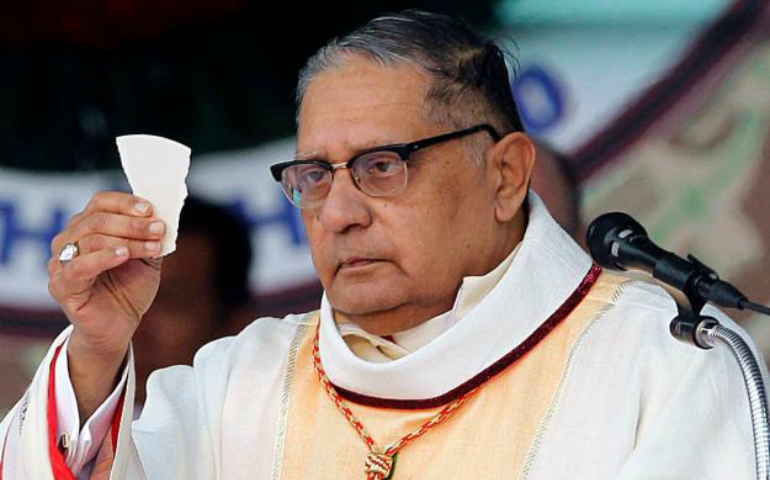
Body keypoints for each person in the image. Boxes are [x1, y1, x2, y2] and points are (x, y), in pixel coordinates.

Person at [0, 10, 764, 480]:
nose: (339, 211)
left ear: (504, 175)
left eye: (381, 166)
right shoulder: (244, 383)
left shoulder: (661, 367)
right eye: (312, 176)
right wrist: (97, 350)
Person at [131, 196, 254, 407]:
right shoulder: (61, 422)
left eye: (169, 302)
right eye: (118, 298)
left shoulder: (274, 432)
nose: (133, 330)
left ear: (235, 324)